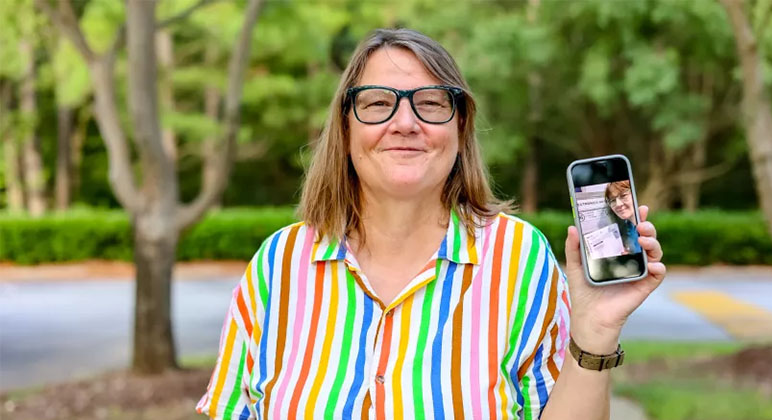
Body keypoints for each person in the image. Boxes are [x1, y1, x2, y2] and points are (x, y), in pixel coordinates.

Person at [197, 28, 665, 420]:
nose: (405, 122)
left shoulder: (520, 258)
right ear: (345, 130)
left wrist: (595, 331)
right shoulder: (279, 264)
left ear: (459, 129)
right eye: (378, 103)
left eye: (431, 102)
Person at [605, 180, 642, 255]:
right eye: (612, 200)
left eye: (623, 196)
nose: (618, 204)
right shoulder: (625, 227)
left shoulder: (645, 226)